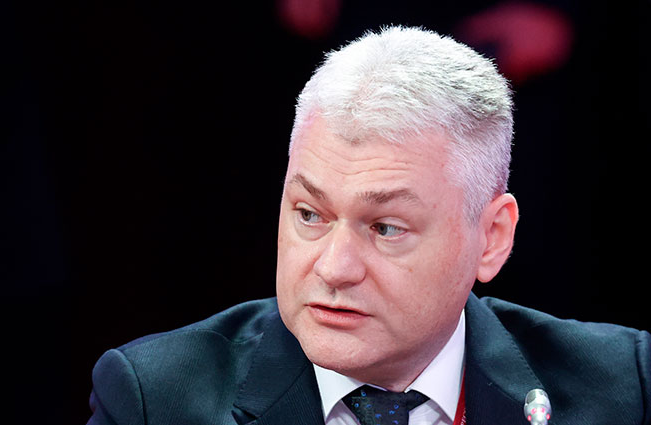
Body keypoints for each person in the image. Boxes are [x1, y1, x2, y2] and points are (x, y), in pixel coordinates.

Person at [86, 26, 651, 425]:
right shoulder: (153, 399)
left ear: (492, 238)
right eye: (310, 215)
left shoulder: (625, 386)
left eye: (385, 228)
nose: (333, 269)